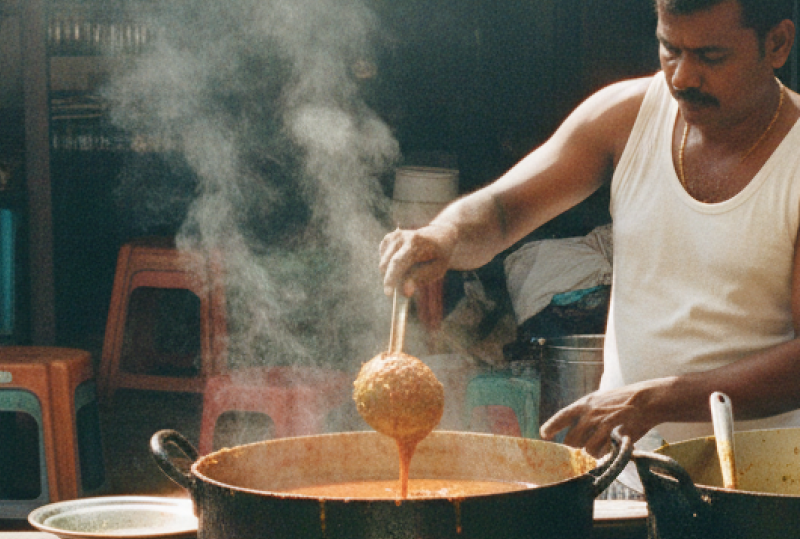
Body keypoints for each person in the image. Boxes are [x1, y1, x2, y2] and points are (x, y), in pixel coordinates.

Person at [379, 0, 800, 468]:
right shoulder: (625, 116)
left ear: (778, 43)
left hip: (764, 482)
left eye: (710, 57)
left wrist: (654, 400)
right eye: (669, 49)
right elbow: (502, 210)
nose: (681, 77)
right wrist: (444, 235)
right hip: (625, 468)